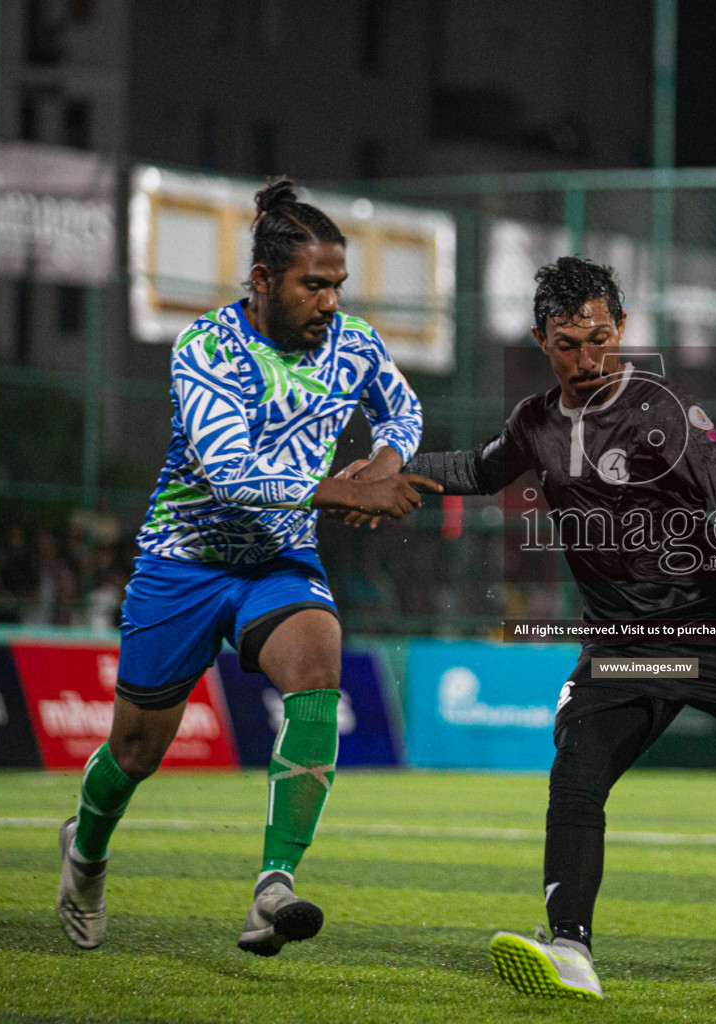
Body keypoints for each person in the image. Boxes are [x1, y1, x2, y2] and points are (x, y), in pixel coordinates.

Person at [404, 256, 716, 1000]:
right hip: (625, 651)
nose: (587, 359)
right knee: (577, 772)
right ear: (542, 338)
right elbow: (478, 469)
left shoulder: (663, 410)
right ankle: (569, 948)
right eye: (569, 343)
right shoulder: (535, 423)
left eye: (601, 339)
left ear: (623, 331)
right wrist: (394, 476)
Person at [55, 178, 441, 955]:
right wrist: (342, 491)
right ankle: (86, 851)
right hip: (184, 562)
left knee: (319, 663)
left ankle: (274, 886)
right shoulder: (206, 348)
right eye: (314, 284)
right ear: (263, 280)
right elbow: (230, 473)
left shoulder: (354, 344)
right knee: (136, 752)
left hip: (277, 558)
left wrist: (383, 462)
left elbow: (403, 409)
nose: (330, 301)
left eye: (338, 284)